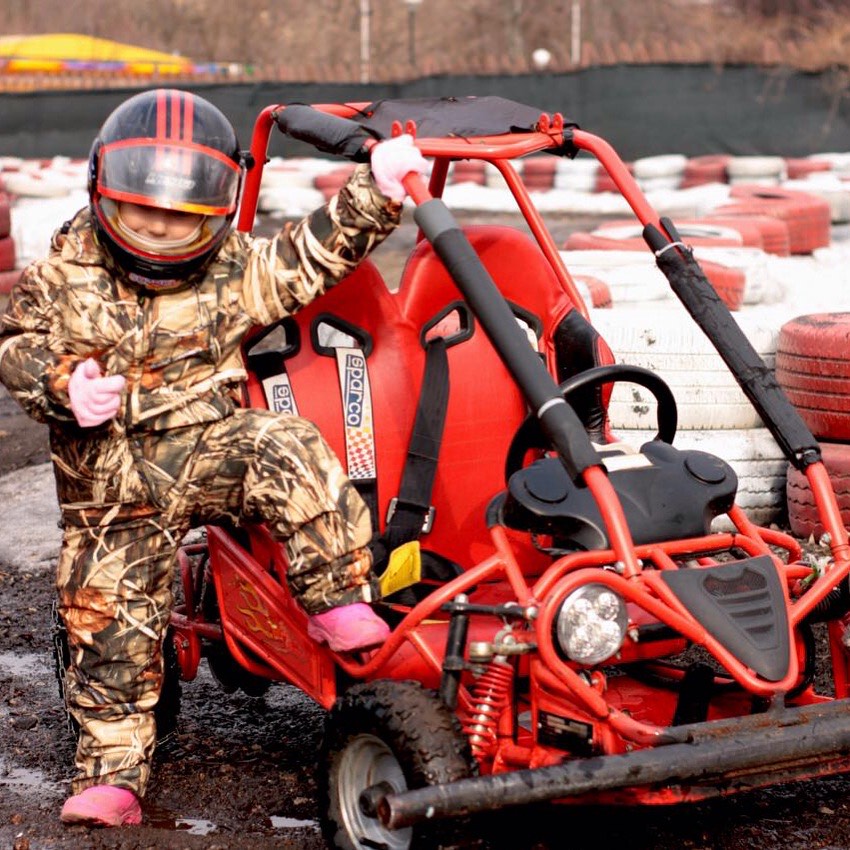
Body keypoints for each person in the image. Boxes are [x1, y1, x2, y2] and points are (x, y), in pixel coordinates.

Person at [0, 88, 428, 828]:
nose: (159, 232)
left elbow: (306, 258)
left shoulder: (233, 269)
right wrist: (63, 383)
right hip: (111, 491)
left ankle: (335, 597)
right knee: (109, 617)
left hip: (206, 449)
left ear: (215, 212)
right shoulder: (60, 279)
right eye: (141, 214)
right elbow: (15, 345)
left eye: (180, 219)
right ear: (105, 192)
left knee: (286, 444)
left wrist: (376, 192)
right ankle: (113, 778)